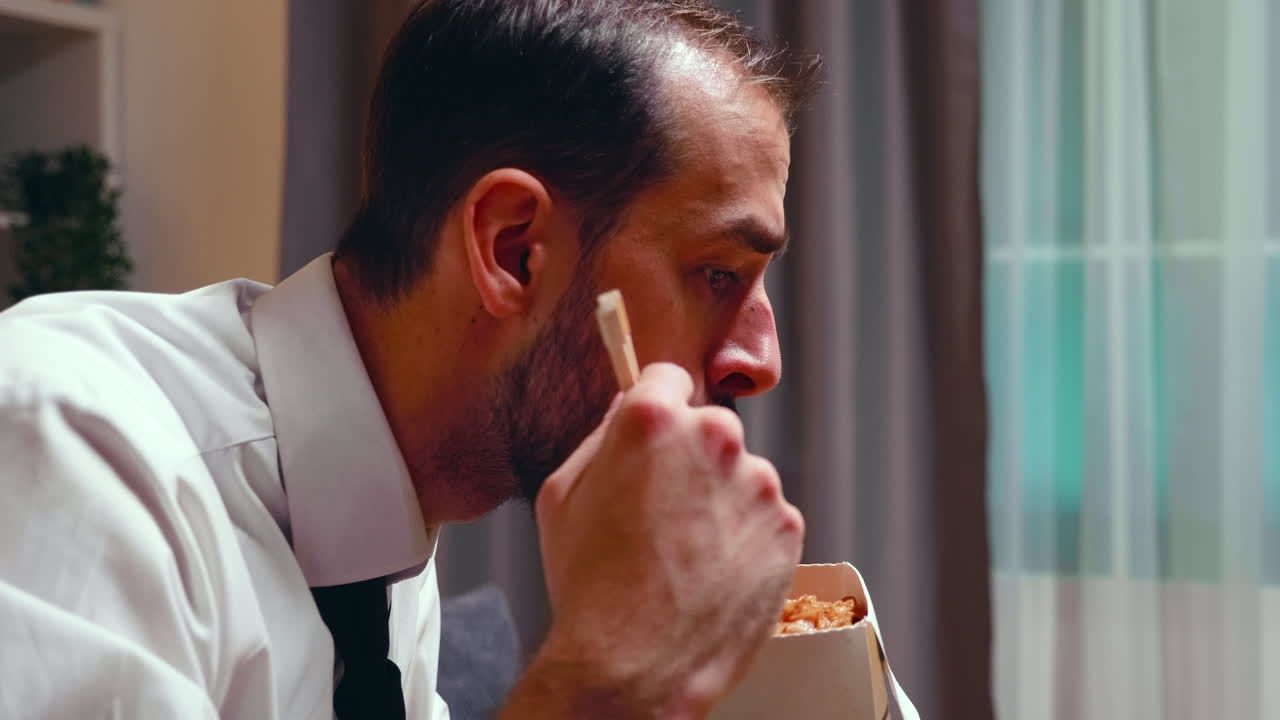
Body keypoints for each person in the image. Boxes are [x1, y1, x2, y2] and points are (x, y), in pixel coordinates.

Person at [0, 1, 825, 717]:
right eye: (719, 274)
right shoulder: (72, 450)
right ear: (513, 251)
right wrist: (607, 680)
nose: (761, 361)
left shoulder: (378, 554)